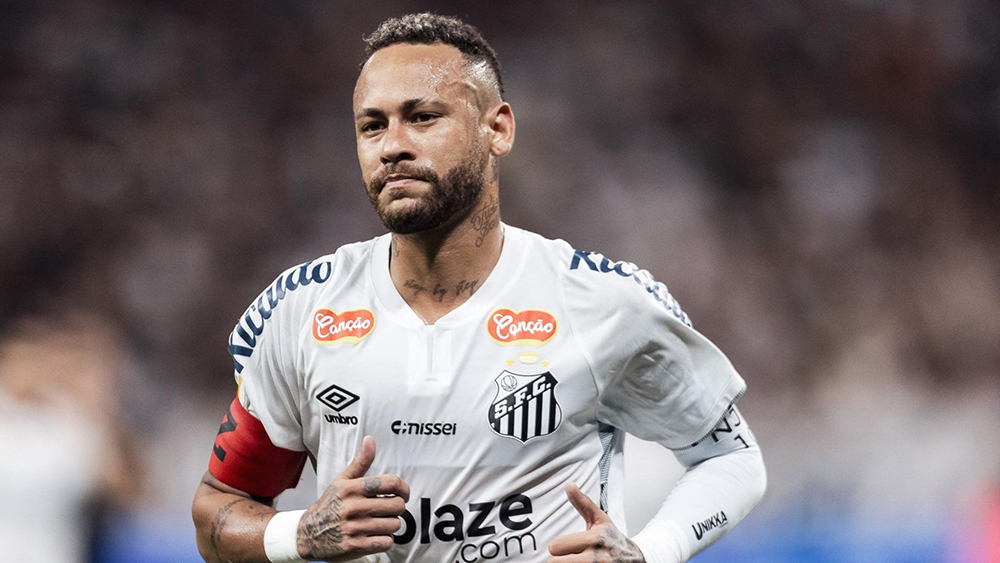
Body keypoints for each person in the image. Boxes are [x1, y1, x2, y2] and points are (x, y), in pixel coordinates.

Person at [191, 13, 766, 563]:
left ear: (498, 129)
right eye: (372, 126)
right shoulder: (302, 311)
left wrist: (651, 551)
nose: (392, 146)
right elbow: (218, 511)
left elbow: (733, 460)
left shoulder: (601, 302)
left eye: (422, 117)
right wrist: (300, 533)